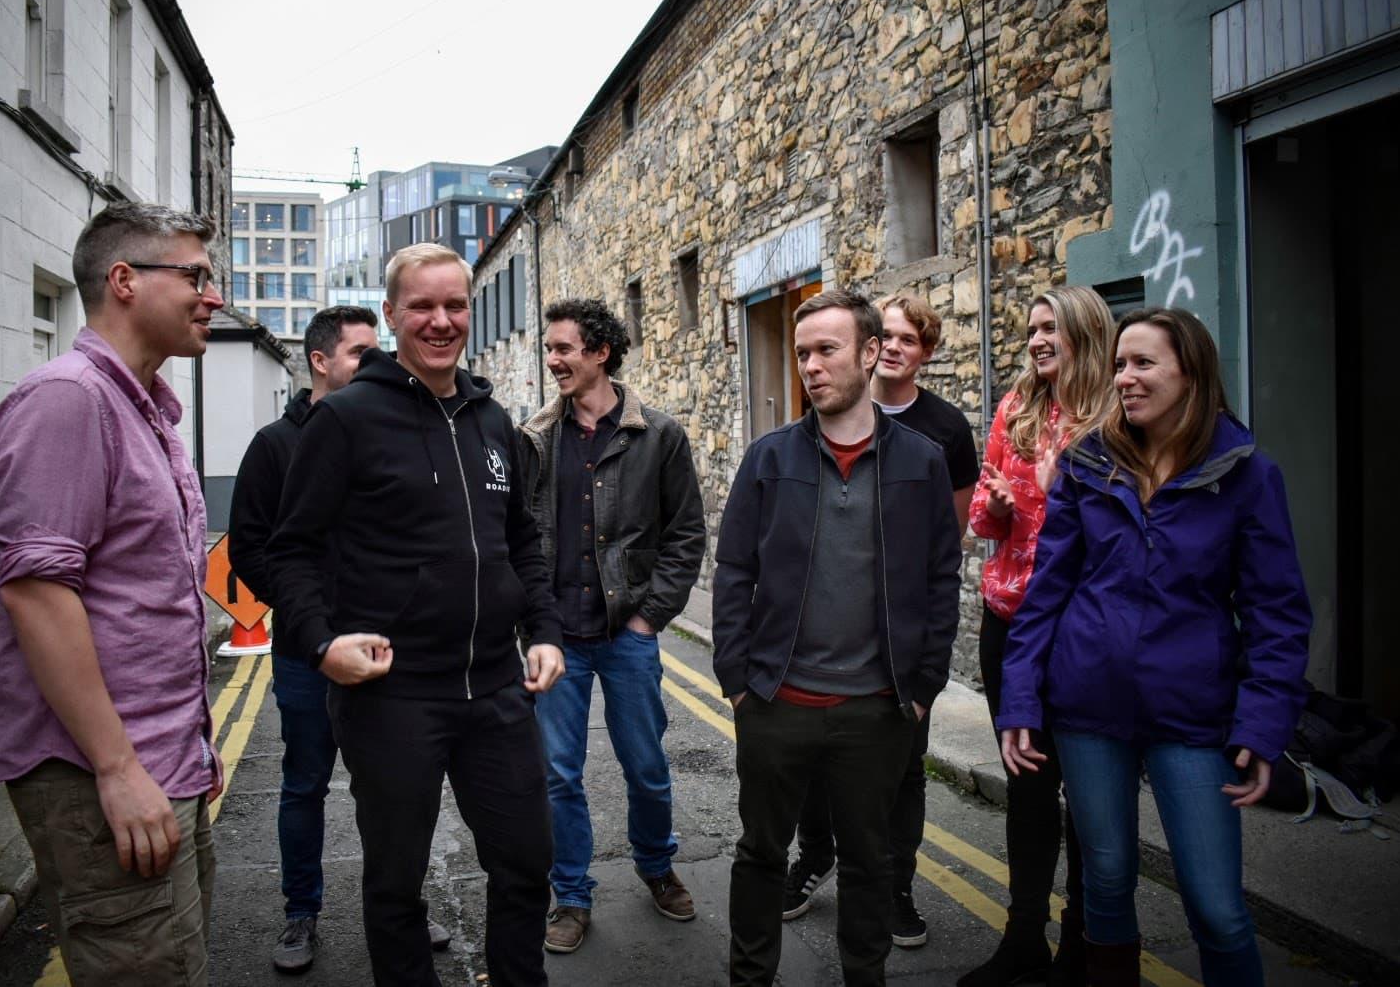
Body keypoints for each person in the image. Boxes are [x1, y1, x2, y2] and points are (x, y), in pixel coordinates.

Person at [265, 243, 566, 987]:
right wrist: (320, 641)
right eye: (423, 306)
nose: (441, 321)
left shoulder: (493, 420)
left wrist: (547, 631)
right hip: (392, 695)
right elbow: (290, 550)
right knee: (397, 883)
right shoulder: (344, 420)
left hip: (496, 687)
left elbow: (523, 539)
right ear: (393, 313)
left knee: (526, 865)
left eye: (455, 305)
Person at [998, 307, 1310, 986]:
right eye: (1119, 365)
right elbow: (1046, 592)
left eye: (1143, 363)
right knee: (1106, 881)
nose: (1125, 378)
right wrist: (1020, 697)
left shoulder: (1246, 474)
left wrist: (1263, 723)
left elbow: (1277, 614)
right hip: (1086, 706)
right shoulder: (1089, 463)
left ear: (1190, 373)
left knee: (1217, 908)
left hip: (1192, 715)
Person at [0, 202, 226, 984]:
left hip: (164, 760)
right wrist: (117, 769)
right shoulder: (68, 399)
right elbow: (39, 594)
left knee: (176, 961)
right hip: (105, 771)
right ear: (124, 280)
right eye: (195, 275)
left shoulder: (144, 409)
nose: (212, 295)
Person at [714, 291, 963, 987]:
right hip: (775, 702)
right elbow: (733, 569)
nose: (811, 366)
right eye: (801, 353)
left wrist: (923, 687)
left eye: (826, 350)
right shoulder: (768, 459)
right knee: (761, 854)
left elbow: (944, 576)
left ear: (869, 351)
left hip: (877, 708)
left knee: (868, 861)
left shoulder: (920, 460)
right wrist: (737, 679)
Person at [229, 306, 452, 970]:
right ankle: (302, 913)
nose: (378, 363)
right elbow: (251, 550)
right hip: (308, 654)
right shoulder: (274, 445)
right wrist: (313, 621)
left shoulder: (394, 433)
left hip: (387, 652)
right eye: (362, 353)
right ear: (321, 362)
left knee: (397, 786)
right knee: (305, 784)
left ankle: (405, 905)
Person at [781, 293, 978, 949]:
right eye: (886, 334)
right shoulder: (825, 413)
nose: (893, 347)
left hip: (897, 631)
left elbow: (949, 539)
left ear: (923, 351)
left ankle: (894, 884)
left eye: (908, 339)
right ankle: (815, 857)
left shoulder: (944, 430)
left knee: (901, 767)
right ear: (868, 346)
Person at [516, 299, 707, 954]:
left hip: (627, 632)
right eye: (550, 347)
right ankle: (570, 894)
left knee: (647, 765)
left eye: (564, 347)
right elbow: (517, 534)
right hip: (555, 636)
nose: (553, 359)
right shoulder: (534, 437)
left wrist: (651, 618)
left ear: (600, 351)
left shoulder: (659, 435)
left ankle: (656, 865)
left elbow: (686, 536)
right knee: (558, 772)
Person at [963, 285, 1115, 987]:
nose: (1036, 339)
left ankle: (1085, 943)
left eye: (1051, 326)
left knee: (1090, 789)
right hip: (1010, 621)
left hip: (1085, 631)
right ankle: (1024, 934)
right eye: (1030, 327)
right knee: (1027, 786)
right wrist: (996, 508)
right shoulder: (1016, 408)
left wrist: (1051, 494)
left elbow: (1121, 535)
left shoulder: (1115, 415)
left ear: (1085, 331)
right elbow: (988, 528)